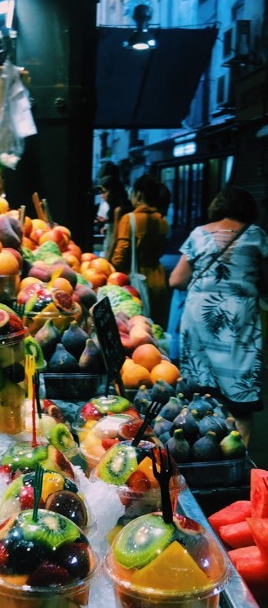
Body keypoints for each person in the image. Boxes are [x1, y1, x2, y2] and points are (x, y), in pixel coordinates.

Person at [169, 185, 268, 444]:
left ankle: (201, 452)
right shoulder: (257, 235)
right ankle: (238, 458)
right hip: (238, 319)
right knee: (241, 397)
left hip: (199, 315)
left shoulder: (198, 234)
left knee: (201, 391)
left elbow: (176, 279)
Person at [110, 173, 169, 326]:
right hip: (158, 279)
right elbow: (161, 250)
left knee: (137, 327)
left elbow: (120, 254)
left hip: (134, 279)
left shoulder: (129, 219)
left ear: (138, 194)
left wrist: (112, 273)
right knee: (155, 328)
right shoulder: (163, 220)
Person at [100, 174, 132, 259]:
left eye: (104, 192)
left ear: (113, 191)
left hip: (113, 252)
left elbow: (115, 237)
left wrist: (107, 259)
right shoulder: (117, 207)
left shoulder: (118, 210)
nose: (102, 196)